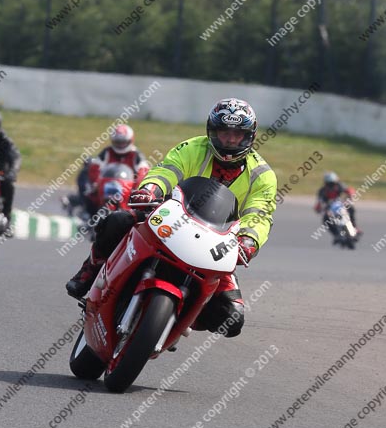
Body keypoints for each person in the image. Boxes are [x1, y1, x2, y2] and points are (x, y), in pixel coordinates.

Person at [66, 98, 277, 338]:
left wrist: (248, 240)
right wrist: (150, 189)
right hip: (170, 216)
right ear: (211, 131)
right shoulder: (192, 148)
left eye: (237, 134)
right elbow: (167, 170)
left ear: (250, 136)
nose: (230, 139)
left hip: (217, 243)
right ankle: (90, 270)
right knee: (118, 220)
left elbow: (260, 213)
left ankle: (180, 315)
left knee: (231, 319)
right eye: (223, 132)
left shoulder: (263, 175)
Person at [76, 124, 150, 211]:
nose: (120, 145)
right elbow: (95, 167)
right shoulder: (107, 152)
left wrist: (136, 186)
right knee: (89, 194)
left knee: (141, 202)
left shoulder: (136, 154)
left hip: (127, 189)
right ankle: (87, 214)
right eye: (118, 142)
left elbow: (143, 170)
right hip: (105, 187)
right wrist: (96, 182)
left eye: (123, 142)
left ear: (130, 140)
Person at [314, 172, 360, 241]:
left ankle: (354, 227)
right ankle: (336, 235)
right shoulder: (322, 191)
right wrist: (318, 208)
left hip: (341, 204)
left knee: (351, 209)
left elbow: (349, 190)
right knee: (325, 219)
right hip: (329, 208)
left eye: (333, 183)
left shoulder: (340, 186)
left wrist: (351, 196)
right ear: (325, 183)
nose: (331, 186)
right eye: (329, 184)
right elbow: (319, 203)